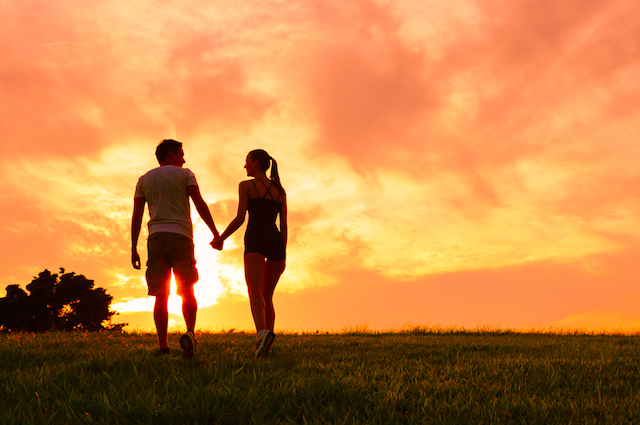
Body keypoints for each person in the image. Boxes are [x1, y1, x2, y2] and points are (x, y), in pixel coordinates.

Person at [131, 139, 219, 358]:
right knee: (187, 288)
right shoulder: (186, 174)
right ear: (170, 154)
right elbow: (199, 202)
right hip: (181, 237)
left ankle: (163, 346)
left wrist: (133, 247)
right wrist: (215, 232)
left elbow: (137, 215)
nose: (184, 158)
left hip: (156, 238)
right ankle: (190, 334)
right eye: (181, 153)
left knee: (161, 294)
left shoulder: (144, 179)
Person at [212, 149, 287, 358]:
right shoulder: (279, 190)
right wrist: (284, 252)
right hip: (276, 241)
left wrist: (221, 238)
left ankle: (261, 334)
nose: (245, 166)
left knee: (254, 289)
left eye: (247, 162)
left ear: (255, 163)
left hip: (255, 239)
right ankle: (267, 341)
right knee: (268, 295)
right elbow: (284, 225)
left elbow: (239, 218)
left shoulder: (246, 186)